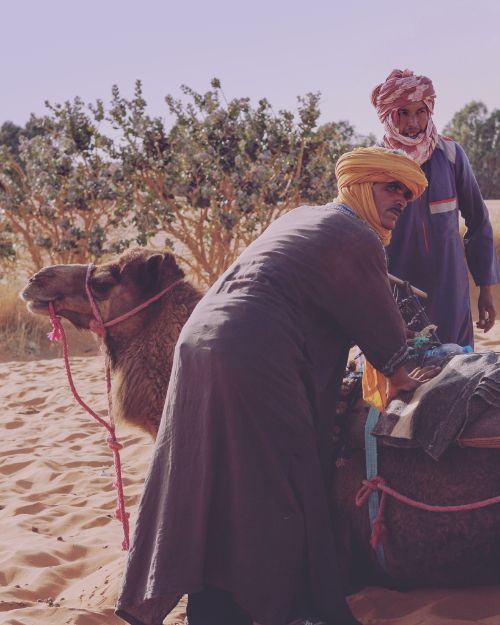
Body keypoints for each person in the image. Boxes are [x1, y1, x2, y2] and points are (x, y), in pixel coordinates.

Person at [115, 147, 431, 625]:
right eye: (392, 187)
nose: (401, 200)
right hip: (253, 351)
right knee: (281, 481)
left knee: (209, 478)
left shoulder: (303, 218)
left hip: (198, 343)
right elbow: (390, 352)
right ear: (360, 186)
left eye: (407, 195)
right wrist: (420, 372)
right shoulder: (356, 237)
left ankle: (210, 607)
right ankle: (281, 609)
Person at [371, 68, 500, 347]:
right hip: (396, 295)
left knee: (457, 373)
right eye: (403, 113)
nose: (413, 122)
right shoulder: (375, 164)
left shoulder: (451, 156)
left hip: (449, 294)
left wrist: (486, 289)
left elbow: (478, 222)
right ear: (388, 116)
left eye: (420, 111)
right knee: (404, 376)